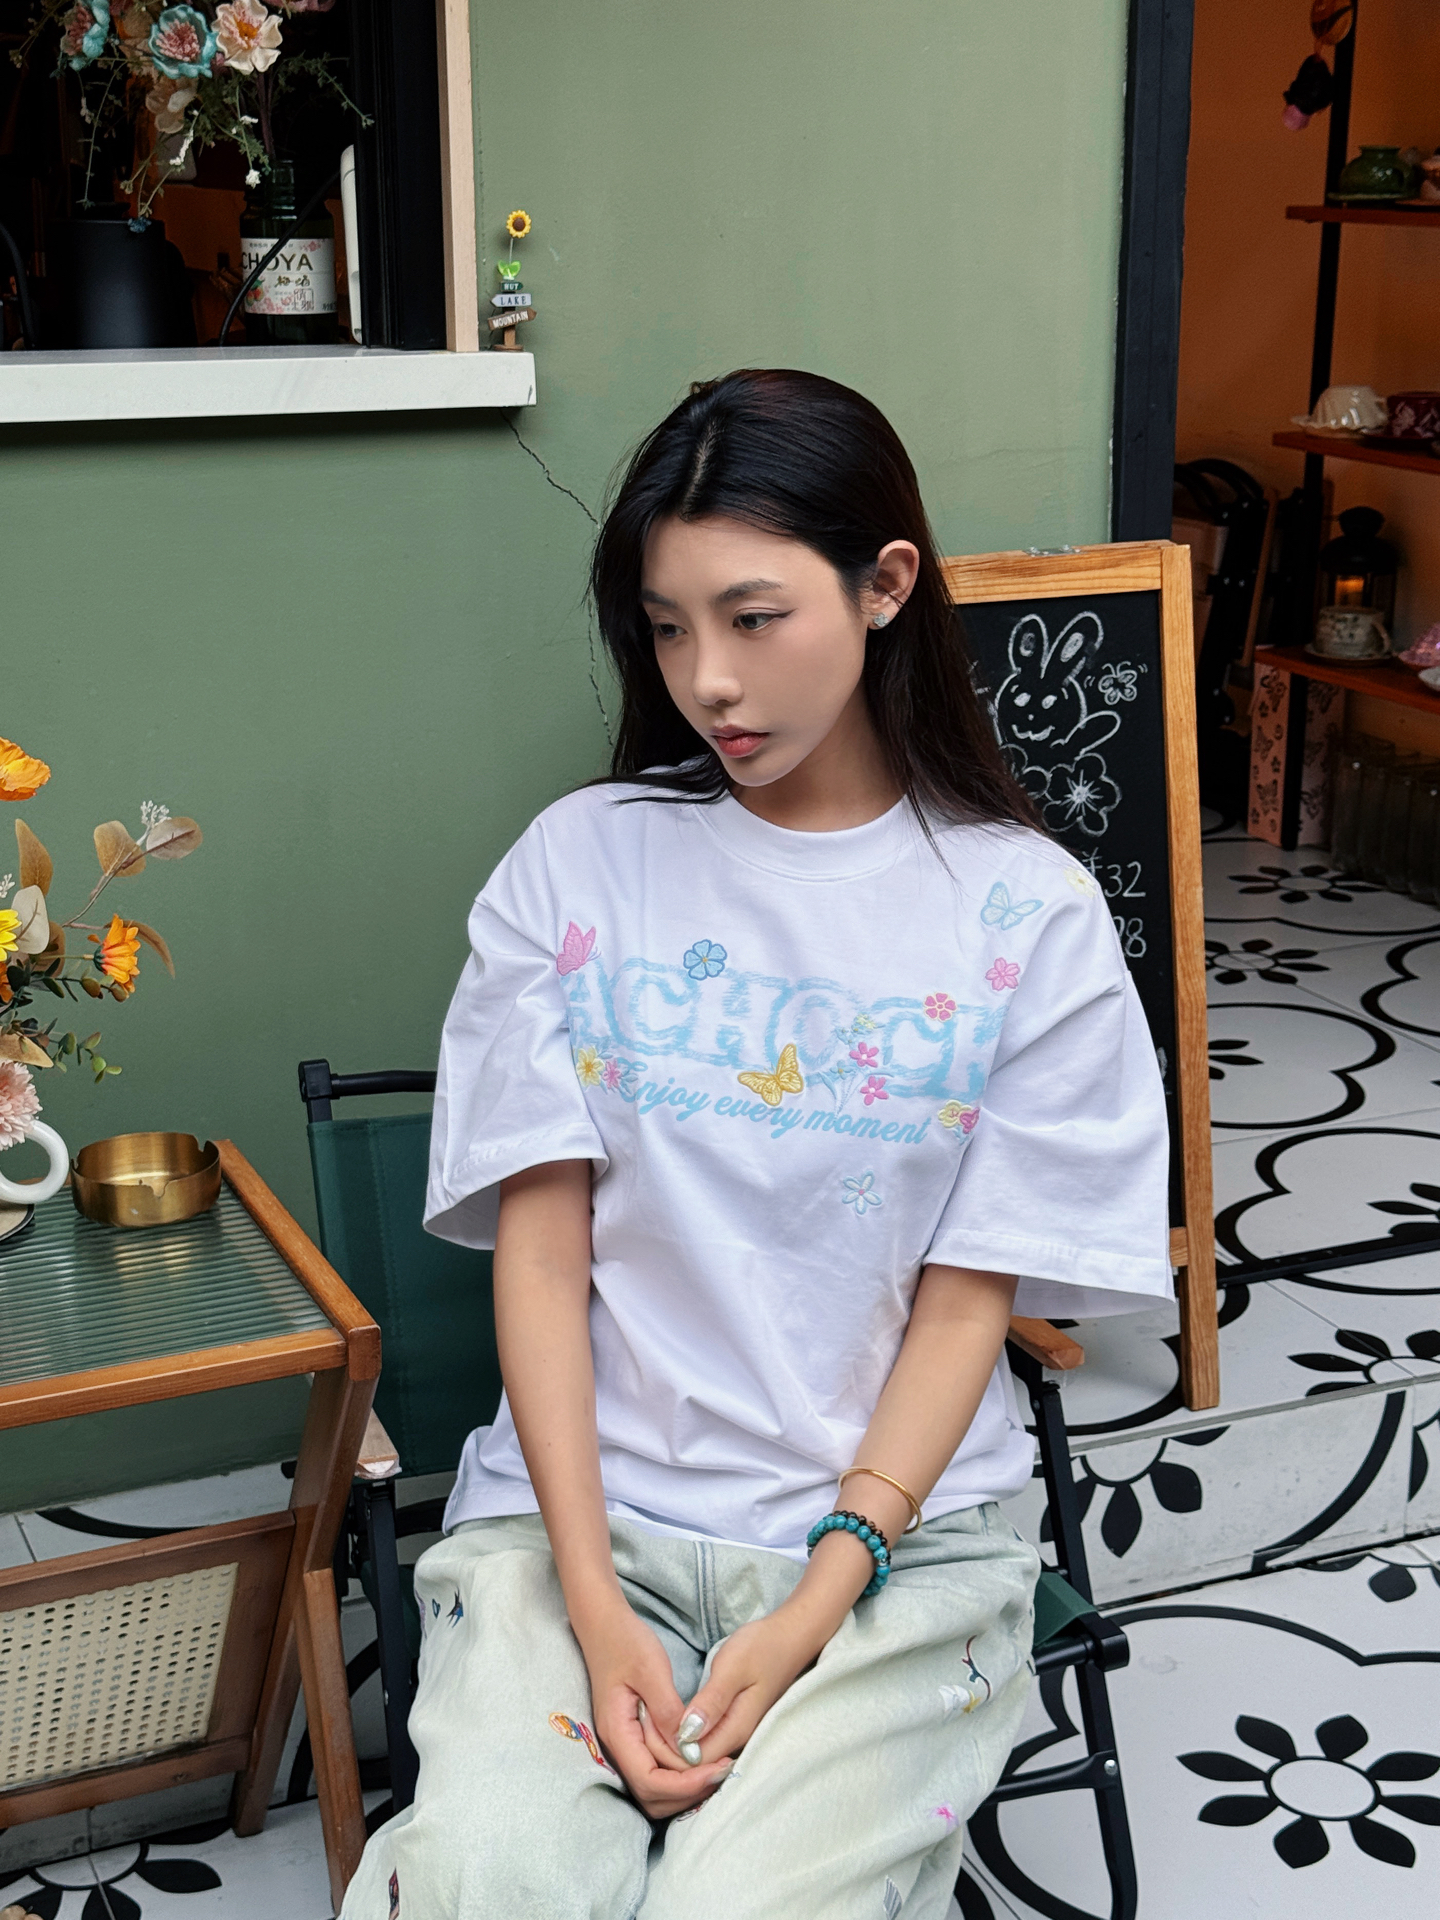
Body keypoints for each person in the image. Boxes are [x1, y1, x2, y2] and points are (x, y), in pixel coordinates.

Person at [341, 368, 1171, 1920]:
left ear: (885, 585)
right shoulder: (580, 868)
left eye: (752, 617)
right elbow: (544, 1255)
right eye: (667, 628)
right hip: (580, 1528)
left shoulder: (1028, 917)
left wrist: (815, 1602)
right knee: (485, 1882)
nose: (708, 681)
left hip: (897, 1554)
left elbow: (967, 1306)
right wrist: (594, 1603)